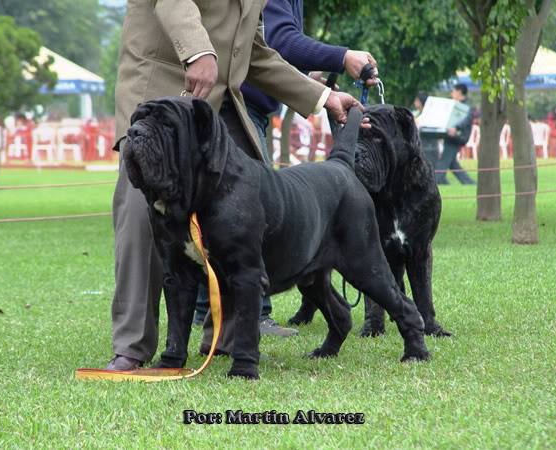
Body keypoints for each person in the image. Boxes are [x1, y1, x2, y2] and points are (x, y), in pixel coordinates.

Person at [106, 0, 368, 371]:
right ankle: (131, 345)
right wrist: (197, 51)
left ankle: (229, 337)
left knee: (254, 206)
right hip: (162, 90)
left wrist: (322, 97)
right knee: (141, 213)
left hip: (220, 108)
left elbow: (253, 51)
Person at [194, 0, 379, 339]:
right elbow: (279, 39)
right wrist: (342, 56)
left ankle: (218, 317)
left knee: (235, 217)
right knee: (253, 216)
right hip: (237, 107)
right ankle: (247, 318)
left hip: (254, 106)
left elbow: (269, 49)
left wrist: (313, 87)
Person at [434, 83, 475, 185]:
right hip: (450, 135)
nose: (451, 93)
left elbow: (465, 120)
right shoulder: (454, 104)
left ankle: (435, 181)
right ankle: (469, 183)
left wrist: (456, 128)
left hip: (458, 136)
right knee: (453, 164)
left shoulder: (466, 107)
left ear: (459, 92)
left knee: (444, 160)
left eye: (453, 91)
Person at [413, 91, 440, 168]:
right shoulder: (417, 113)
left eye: (416, 100)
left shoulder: (429, 115)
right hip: (421, 146)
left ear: (421, 102)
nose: (415, 102)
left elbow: (419, 124)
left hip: (429, 148)